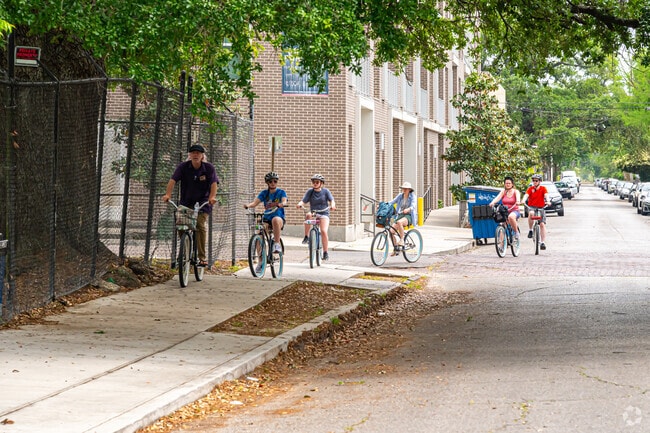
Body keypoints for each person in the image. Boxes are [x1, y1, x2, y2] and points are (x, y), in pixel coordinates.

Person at [162, 144, 219, 267]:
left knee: (199, 224)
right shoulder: (183, 167)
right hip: (186, 202)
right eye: (193, 152)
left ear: (202, 155)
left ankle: (202, 257)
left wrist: (212, 197)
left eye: (198, 153)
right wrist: (167, 194)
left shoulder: (208, 168)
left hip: (203, 203)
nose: (195, 155)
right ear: (190, 155)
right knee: (182, 224)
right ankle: (184, 250)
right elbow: (172, 180)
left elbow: (214, 183)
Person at [243, 171, 287, 254]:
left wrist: (282, 204)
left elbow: (284, 201)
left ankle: (277, 244)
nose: (273, 183)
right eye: (270, 181)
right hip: (267, 218)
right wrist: (248, 205)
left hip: (278, 217)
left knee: (275, 220)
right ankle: (261, 262)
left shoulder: (281, 192)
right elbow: (254, 203)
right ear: (267, 183)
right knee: (259, 232)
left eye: (275, 181)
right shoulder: (264, 193)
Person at [296, 174, 336, 260]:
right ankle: (306, 236)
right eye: (313, 182)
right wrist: (300, 204)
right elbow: (304, 201)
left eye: (317, 182)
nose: (315, 184)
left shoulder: (326, 191)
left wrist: (332, 205)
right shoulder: (310, 191)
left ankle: (325, 252)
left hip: (324, 213)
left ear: (321, 183)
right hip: (314, 212)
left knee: (324, 231)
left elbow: (332, 200)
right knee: (308, 214)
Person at [522, 173, 550, 250]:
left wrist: (548, 201)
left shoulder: (543, 189)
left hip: (541, 207)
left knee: (542, 224)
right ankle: (530, 230)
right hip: (532, 207)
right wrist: (523, 200)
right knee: (531, 213)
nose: (534, 182)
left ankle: (543, 242)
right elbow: (526, 195)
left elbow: (546, 195)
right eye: (533, 180)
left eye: (536, 181)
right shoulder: (530, 189)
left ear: (540, 181)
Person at [388, 182, 417, 248]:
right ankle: (396, 249)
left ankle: (402, 240)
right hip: (400, 215)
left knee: (399, 222)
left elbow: (413, 206)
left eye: (406, 189)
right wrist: (383, 205)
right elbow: (392, 202)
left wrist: (408, 209)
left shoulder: (413, 196)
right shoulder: (400, 196)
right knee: (391, 231)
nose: (404, 190)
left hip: (409, 216)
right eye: (403, 188)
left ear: (409, 190)